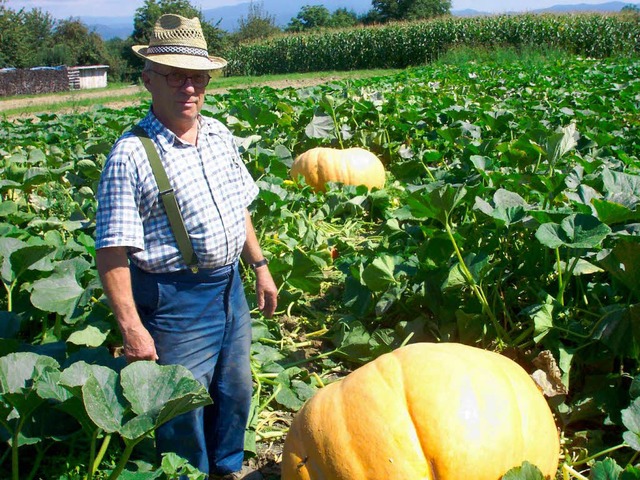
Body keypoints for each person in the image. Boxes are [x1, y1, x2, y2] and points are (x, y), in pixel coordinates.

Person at [94, 13, 277, 480]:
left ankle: (226, 468)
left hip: (228, 284)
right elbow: (111, 253)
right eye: (176, 77)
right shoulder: (131, 155)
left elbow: (240, 207)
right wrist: (132, 329)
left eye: (198, 78)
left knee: (234, 387)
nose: (190, 88)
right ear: (148, 80)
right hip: (174, 297)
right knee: (181, 404)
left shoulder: (217, 133)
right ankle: (186, 474)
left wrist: (258, 265)